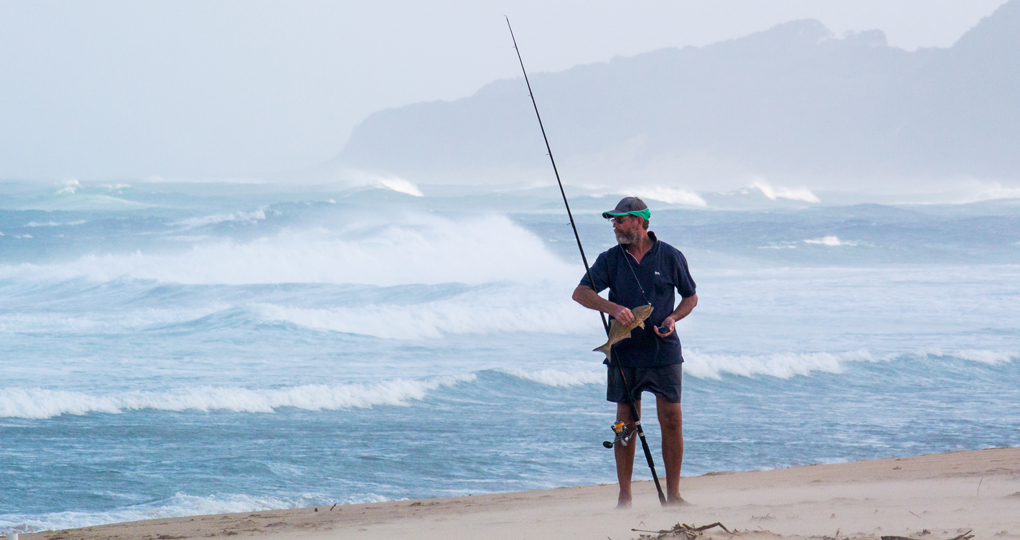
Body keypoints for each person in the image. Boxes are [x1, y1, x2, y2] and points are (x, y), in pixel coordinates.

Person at [571, 196, 698, 508]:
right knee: (624, 423)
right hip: (623, 354)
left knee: (672, 420)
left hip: (664, 351)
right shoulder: (610, 259)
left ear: (640, 221)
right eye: (612, 220)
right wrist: (611, 307)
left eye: (620, 219)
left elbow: (690, 297)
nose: (614, 225)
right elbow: (581, 293)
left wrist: (673, 318)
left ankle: (674, 494)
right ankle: (624, 496)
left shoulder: (670, 256)